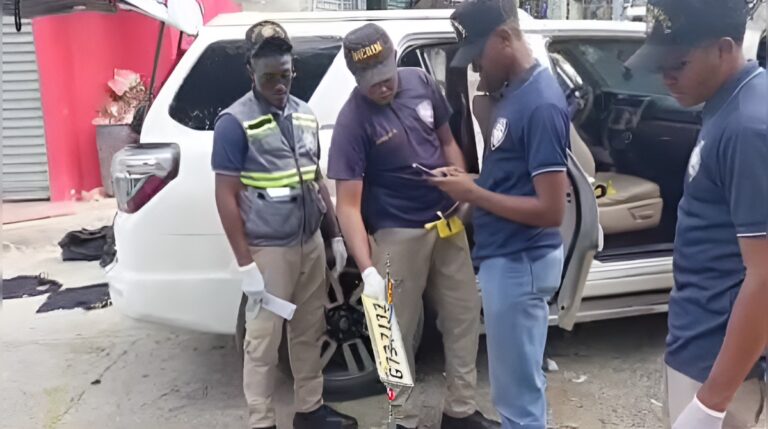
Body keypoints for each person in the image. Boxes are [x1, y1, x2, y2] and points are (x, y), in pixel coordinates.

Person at [327, 22, 500, 429]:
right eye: (372, 81)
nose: (383, 86)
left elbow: (446, 140)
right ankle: (400, 419)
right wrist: (367, 269)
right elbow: (347, 205)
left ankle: (460, 410)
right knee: (393, 333)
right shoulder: (353, 121)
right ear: (356, 78)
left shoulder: (420, 82)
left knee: (463, 314)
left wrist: (459, 180)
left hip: (446, 222)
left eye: (386, 75)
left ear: (394, 60)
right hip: (397, 234)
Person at [625, 1, 768, 428]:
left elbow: (765, 275)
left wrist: (711, 402)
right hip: (701, 340)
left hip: (720, 361)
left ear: (724, 49)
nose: (666, 77)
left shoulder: (748, 127)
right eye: (660, 65)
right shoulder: (728, 104)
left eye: (678, 64)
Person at [430, 1, 572, 428]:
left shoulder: (540, 103)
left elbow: (551, 209)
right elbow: (513, 178)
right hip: (508, 259)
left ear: (505, 39)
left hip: (520, 261)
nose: (475, 66)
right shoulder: (515, 94)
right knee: (516, 390)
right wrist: (470, 179)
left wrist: (474, 192)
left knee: (517, 400)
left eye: (478, 55)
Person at [211, 20, 357, 429]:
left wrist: (334, 234)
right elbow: (225, 196)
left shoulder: (305, 114)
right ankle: (261, 420)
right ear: (250, 71)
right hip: (269, 250)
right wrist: (245, 264)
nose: (279, 85)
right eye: (269, 77)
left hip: (310, 243)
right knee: (262, 341)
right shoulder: (233, 123)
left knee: (309, 329)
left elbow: (315, 178)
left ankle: (310, 410)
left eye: (286, 75)